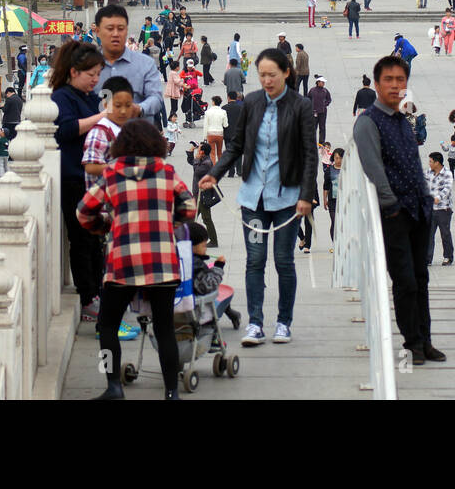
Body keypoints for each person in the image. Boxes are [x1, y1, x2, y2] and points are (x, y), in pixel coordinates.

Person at [198, 48, 316, 347]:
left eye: (272, 75)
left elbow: (309, 155)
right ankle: (254, 323)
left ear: (286, 73)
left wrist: (306, 195)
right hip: (253, 198)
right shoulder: (251, 102)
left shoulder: (301, 106)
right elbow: (235, 145)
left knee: (284, 261)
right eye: (262, 74)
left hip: (287, 198)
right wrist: (216, 173)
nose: (266, 80)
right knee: (255, 261)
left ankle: (283, 323)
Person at [77, 119, 196, 400]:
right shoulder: (166, 172)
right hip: (163, 264)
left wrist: (106, 225)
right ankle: (171, 392)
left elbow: (83, 212)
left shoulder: (111, 173)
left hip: (122, 263)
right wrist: (168, 223)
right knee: (165, 328)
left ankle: (113, 386)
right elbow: (189, 208)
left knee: (107, 326)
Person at [352, 55, 445, 365]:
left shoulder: (402, 120)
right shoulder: (368, 121)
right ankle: (413, 343)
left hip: (419, 209)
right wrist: (390, 203)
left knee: (421, 278)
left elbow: (413, 164)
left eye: (400, 80)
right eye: (389, 80)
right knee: (404, 280)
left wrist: (427, 198)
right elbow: (373, 167)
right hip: (394, 213)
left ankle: (426, 339)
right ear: (377, 84)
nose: (395, 85)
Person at [50, 40, 110, 322]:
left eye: (98, 74)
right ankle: (88, 296)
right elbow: (65, 131)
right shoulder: (62, 96)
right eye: (91, 74)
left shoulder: (87, 96)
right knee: (82, 238)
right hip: (73, 177)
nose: (96, 80)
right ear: (74, 72)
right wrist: (102, 117)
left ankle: (99, 291)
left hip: (92, 179)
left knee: (96, 238)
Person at [94, 5, 165, 124]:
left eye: (120, 28)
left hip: (136, 135)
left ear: (127, 30)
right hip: (97, 138)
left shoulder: (145, 63)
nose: (115, 34)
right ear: (97, 31)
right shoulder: (87, 65)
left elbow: (156, 98)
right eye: (110, 28)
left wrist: (140, 108)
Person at [425, 151, 454, 266]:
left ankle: (448, 256)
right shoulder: (428, 173)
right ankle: (427, 258)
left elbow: (447, 188)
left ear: (437, 163)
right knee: (428, 234)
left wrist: (438, 197)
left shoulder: (447, 173)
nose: (429, 164)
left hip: (443, 209)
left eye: (431, 161)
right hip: (430, 209)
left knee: (445, 233)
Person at [310, 76, 332, 143]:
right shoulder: (312, 90)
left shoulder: (325, 91)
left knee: (322, 128)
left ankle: (321, 142)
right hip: (314, 112)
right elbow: (308, 98)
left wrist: (325, 104)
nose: (323, 84)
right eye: (322, 82)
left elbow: (329, 99)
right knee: (313, 128)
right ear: (318, 82)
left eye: (324, 82)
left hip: (323, 112)